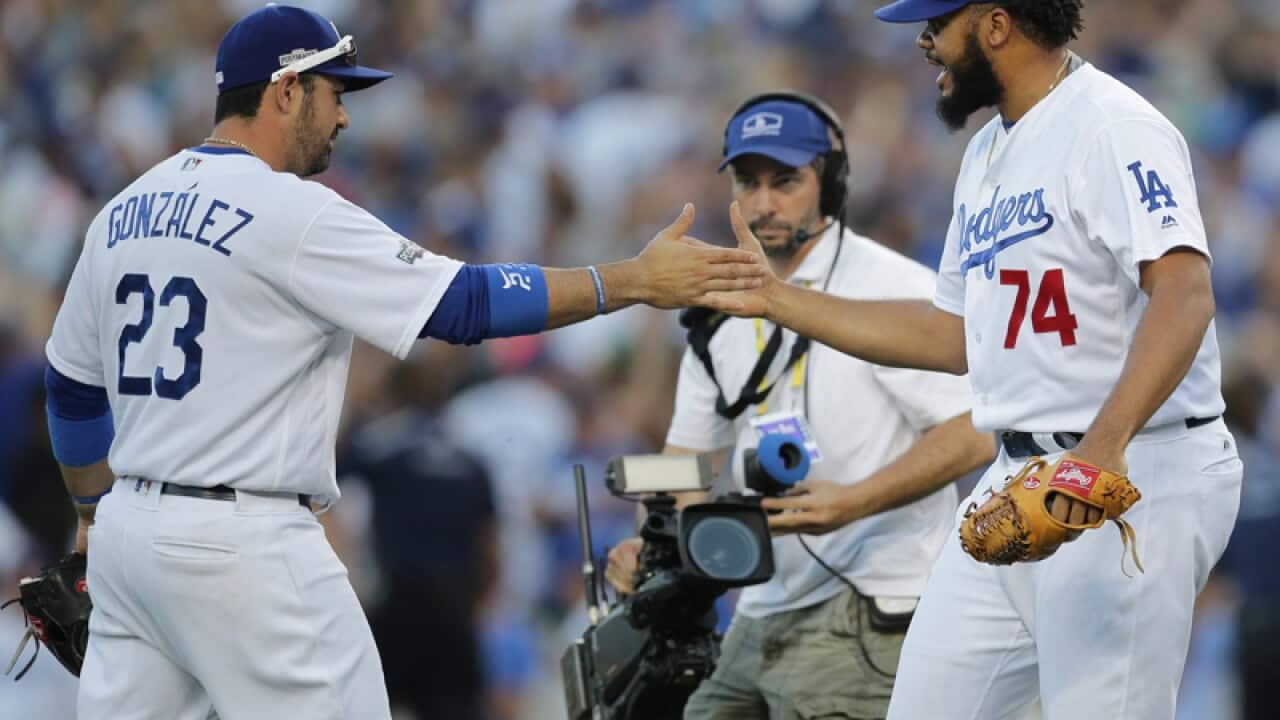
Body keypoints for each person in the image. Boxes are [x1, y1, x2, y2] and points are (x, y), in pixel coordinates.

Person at [41, 5, 764, 719]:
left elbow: (71, 387)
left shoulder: (122, 212)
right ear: (286, 90)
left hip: (131, 535)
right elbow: (463, 305)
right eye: (335, 93)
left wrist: (90, 516)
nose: (345, 117)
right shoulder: (291, 210)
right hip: (244, 543)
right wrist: (631, 281)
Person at [703, 2, 1244, 718]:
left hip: (1134, 467)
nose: (924, 40)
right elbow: (949, 334)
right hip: (1016, 475)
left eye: (937, 22)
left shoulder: (1115, 127)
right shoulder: (987, 152)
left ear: (996, 25)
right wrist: (778, 301)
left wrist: (1100, 451)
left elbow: (1184, 292)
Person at [605, 92, 995, 719]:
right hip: (757, 609)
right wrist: (650, 549)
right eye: (747, 182)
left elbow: (977, 432)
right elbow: (686, 464)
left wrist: (854, 501)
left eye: (785, 180)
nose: (763, 202)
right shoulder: (718, 308)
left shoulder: (895, 290)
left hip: (869, 609)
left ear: (831, 181)